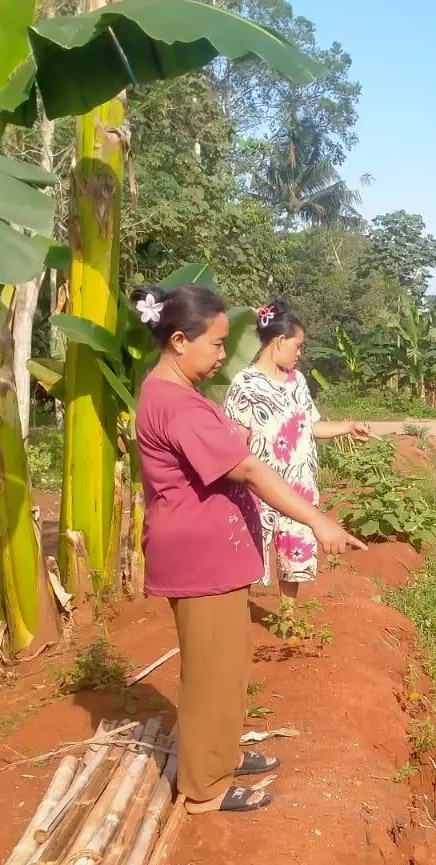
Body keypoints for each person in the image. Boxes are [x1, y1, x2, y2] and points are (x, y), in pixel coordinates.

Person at [132, 282, 365, 815]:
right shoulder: (175, 404)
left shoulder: (177, 393)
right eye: (216, 343)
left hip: (214, 558)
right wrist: (318, 521)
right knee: (210, 674)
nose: (222, 354)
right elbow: (251, 469)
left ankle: (222, 754)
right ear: (178, 341)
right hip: (199, 561)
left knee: (228, 665)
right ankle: (204, 788)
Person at [224, 297, 371, 599]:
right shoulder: (245, 385)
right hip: (261, 491)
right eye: (298, 345)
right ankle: (240, 613)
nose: (300, 353)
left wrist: (348, 427)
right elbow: (234, 442)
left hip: (300, 491)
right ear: (280, 341)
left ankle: (288, 617)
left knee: (294, 562)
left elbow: (310, 426)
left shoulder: (297, 382)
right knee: (251, 557)